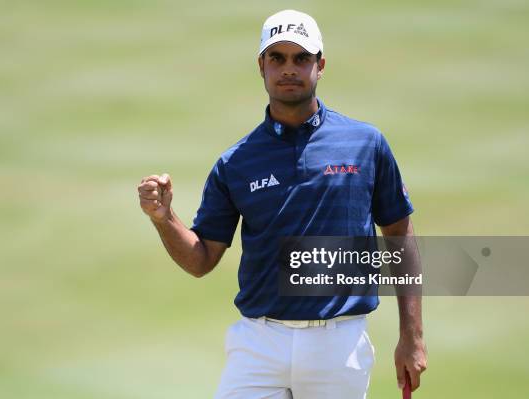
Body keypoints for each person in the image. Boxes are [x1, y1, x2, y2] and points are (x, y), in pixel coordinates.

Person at [137, 9, 427, 399]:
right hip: (258, 343)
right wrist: (164, 218)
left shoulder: (365, 144)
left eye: (301, 58)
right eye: (277, 57)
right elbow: (201, 259)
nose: (289, 69)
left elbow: (399, 235)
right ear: (262, 65)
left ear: (320, 65)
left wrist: (412, 337)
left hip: (338, 344)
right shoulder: (235, 162)